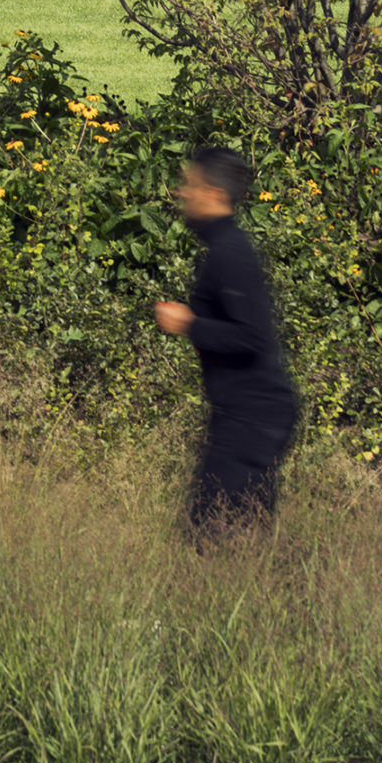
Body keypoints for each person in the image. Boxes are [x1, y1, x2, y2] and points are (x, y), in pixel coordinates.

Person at [154, 147, 299, 535]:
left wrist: (189, 324)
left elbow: (252, 335)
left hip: (253, 415)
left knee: (211, 533)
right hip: (245, 412)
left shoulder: (230, 254)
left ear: (215, 194)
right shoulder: (222, 249)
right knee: (238, 531)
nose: (182, 193)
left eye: (191, 185)